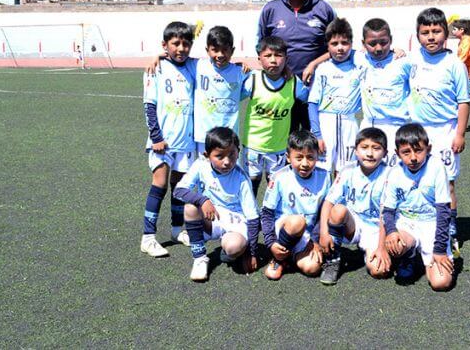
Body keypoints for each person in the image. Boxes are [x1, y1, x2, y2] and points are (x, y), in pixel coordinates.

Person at [406, 8, 470, 257]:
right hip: (418, 133)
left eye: (436, 31)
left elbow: (463, 102)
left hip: (445, 131)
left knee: (447, 183)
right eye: (425, 32)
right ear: (417, 35)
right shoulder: (411, 60)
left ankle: (450, 227)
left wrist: (460, 134)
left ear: (446, 33)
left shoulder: (454, 64)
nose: (430, 37)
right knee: (416, 180)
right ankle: (418, 223)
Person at [257, 0, 336, 131]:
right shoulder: (271, 10)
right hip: (281, 89)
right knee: (283, 144)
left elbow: (338, 48)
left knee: (315, 145)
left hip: (317, 90)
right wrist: (278, 69)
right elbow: (261, 46)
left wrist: (314, 64)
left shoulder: (324, 10)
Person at [173, 127, 260, 281]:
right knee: (190, 208)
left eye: (232, 154)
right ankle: (200, 258)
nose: (227, 162)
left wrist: (251, 253)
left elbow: (253, 218)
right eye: (219, 156)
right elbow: (178, 191)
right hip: (211, 216)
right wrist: (203, 200)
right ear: (207, 155)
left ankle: (231, 252)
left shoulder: (241, 178)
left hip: (235, 222)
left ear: (238, 152)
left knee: (233, 247)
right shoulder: (200, 165)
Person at [140, 22, 196, 257]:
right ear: (165, 45)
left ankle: (177, 229)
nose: (181, 48)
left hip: (186, 142)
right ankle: (148, 237)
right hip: (163, 142)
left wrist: (239, 64)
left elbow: (217, 64)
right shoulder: (157, 68)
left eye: (186, 44)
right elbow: (149, 105)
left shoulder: (193, 66)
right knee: (159, 185)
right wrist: (156, 137)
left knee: (179, 187)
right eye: (175, 44)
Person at [381, 123, 454, 291]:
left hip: (431, 224)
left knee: (440, 282)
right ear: (397, 153)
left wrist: (440, 249)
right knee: (395, 244)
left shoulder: (436, 167)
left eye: (418, 150)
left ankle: (432, 253)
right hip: (407, 224)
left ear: (428, 149)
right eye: (406, 152)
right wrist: (392, 232)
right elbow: (389, 210)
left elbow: (444, 211)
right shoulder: (394, 172)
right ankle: (409, 255)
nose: (413, 157)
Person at [318, 127, 392, 285]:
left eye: (376, 148)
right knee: (338, 210)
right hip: (353, 224)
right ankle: (333, 260)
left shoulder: (391, 175)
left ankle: (397, 256)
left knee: (379, 271)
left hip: (377, 228)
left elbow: (386, 216)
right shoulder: (347, 171)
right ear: (356, 151)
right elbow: (328, 203)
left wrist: (381, 247)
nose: (370, 153)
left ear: (385, 153)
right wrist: (324, 233)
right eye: (364, 148)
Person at [241, 35, 309, 196]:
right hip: (252, 147)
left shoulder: (294, 83)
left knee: (275, 188)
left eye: (278, 56)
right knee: (251, 186)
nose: (273, 60)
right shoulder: (253, 80)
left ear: (286, 59)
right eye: (268, 56)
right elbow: (231, 96)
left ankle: (270, 219)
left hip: (278, 148)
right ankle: (251, 220)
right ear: (259, 59)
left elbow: (311, 100)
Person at [261, 130, 331, 280]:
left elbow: (325, 212)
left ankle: (289, 259)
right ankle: (278, 257)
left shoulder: (325, 177)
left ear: (317, 156)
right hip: (285, 230)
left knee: (312, 268)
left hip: (307, 236)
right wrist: (271, 243)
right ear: (288, 157)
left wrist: (316, 241)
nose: (305, 163)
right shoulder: (279, 177)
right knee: (297, 221)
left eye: (310, 157)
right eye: (298, 158)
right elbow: (266, 213)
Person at [308, 18, 362, 175]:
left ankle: (341, 200)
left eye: (345, 43)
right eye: (334, 44)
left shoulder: (359, 67)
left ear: (352, 44)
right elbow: (313, 103)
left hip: (349, 124)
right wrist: (317, 135)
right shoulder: (323, 69)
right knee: (320, 170)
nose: (340, 48)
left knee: (346, 171)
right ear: (327, 45)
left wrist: (395, 51)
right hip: (326, 125)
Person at [356, 18, 411, 166]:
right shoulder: (359, 59)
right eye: (372, 44)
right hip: (369, 126)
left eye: (384, 42)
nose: (378, 48)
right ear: (363, 43)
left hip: (397, 128)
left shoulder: (404, 62)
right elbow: (333, 52)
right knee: (367, 174)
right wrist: (312, 65)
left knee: (396, 175)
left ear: (391, 40)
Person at [193, 26, 250, 157]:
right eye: (215, 50)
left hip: (229, 136)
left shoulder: (240, 72)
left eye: (225, 50)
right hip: (204, 136)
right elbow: (175, 59)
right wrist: (158, 56)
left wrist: (285, 69)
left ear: (232, 50)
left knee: (229, 170)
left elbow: (262, 77)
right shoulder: (198, 66)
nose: (220, 55)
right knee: (205, 172)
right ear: (207, 50)